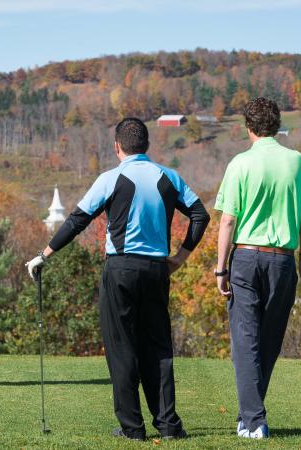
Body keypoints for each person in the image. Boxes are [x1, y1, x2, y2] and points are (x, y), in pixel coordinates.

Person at [26, 118, 210, 440]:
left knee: (121, 348)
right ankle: (168, 427)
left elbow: (77, 220)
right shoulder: (169, 177)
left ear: (117, 146)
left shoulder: (110, 178)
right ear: (147, 145)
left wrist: (44, 255)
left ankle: (132, 429)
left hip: (121, 270)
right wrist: (180, 258)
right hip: (156, 271)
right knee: (158, 348)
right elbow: (200, 215)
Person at [214, 98, 301, 439]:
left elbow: (228, 220)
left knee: (245, 341)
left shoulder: (240, 163)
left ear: (248, 127)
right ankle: (249, 417)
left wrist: (219, 268)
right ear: (277, 124)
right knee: (269, 340)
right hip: (283, 259)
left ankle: (254, 421)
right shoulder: (297, 161)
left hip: (245, 256)